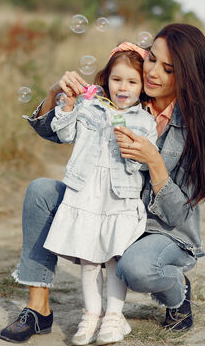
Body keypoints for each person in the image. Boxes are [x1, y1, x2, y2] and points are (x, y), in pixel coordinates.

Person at [0, 23, 205, 344]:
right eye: (151, 59)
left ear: (188, 76)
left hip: (162, 229)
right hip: (106, 206)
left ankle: (176, 293)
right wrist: (56, 94)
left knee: (135, 269)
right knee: (41, 191)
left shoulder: (195, 128)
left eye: (168, 69)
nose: (152, 73)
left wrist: (154, 161)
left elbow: (179, 214)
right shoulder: (120, 95)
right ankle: (38, 310)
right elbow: (52, 131)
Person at [42, 45, 158, 345]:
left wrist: (130, 148)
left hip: (120, 197)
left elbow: (140, 165)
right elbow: (65, 134)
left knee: (113, 259)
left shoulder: (145, 122)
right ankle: (91, 314)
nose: (123, 88)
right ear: (106, 80)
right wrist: (67, 106)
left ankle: (113, 317)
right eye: (117, 80)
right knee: (90, 258)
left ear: (142, 87)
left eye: (132, 82)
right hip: (86, 193)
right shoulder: (90, 107)